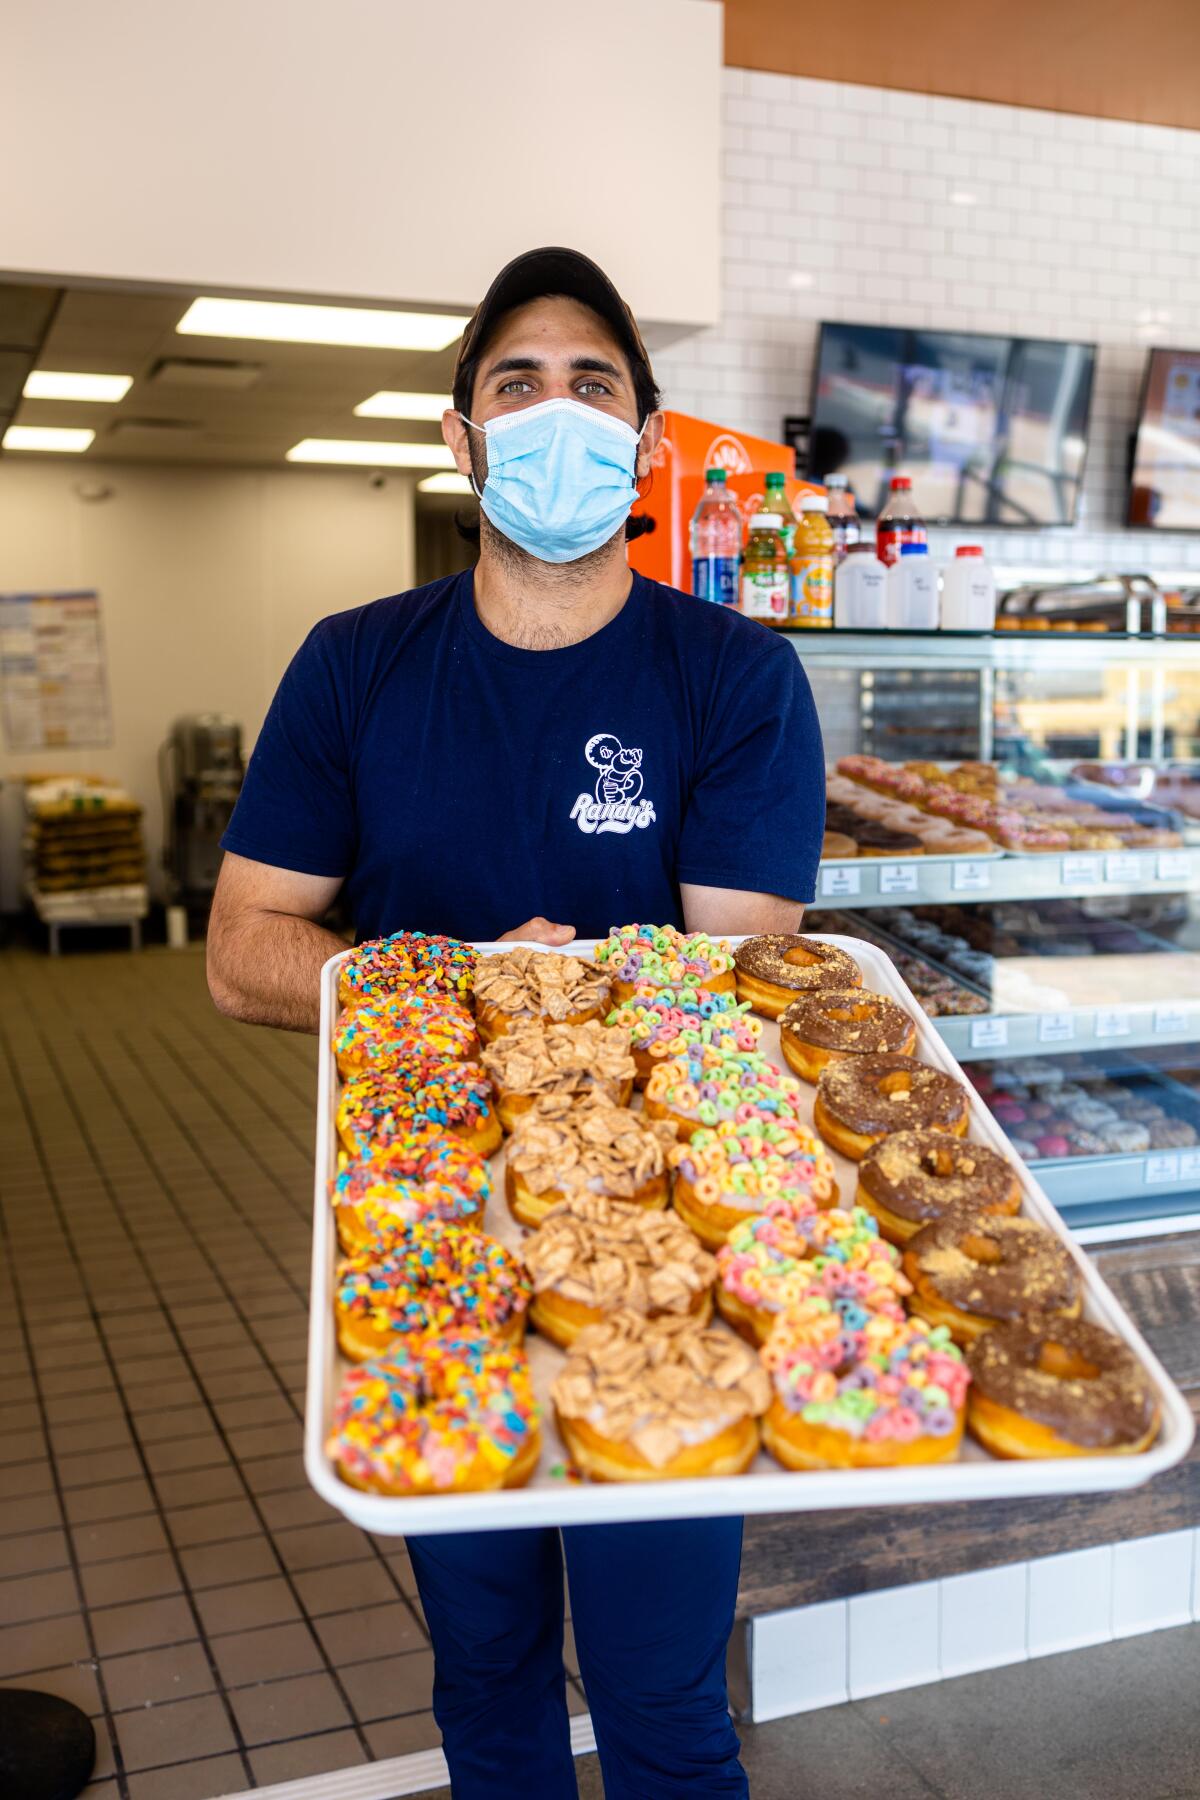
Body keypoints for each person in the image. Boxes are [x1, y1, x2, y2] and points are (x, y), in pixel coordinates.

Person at [208, 246, 825, 1798]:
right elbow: (240, 952)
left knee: (661, 1693)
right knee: (483, 1677)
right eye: (517, 384)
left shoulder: (738, 677)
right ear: (460, 437)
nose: (558, 413)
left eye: (594, 385)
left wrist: (527, 998)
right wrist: (475, 985)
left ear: (645, 433)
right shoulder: (356, 665)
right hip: (433, 1227)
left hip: (661, 1251)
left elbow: (736, 978)